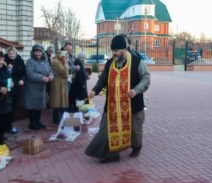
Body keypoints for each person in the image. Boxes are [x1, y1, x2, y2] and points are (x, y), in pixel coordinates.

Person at [85, 35, 150, 163]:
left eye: (116, 50)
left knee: (134, 130)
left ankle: (136, 147)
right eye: (112, 50)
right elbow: (103, 79)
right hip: (112, 105)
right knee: (106, 129)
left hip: (133, 104)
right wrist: (94, 90)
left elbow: (146, 79)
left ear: (124, 49)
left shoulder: (137, 61)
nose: (114, 53)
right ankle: (112, 155)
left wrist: (135, 90)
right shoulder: (110, 63)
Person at [23, 44, 53, 130]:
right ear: (33, 52)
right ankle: (32, 123)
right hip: (32, 88)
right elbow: (30, 74)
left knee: (39, 106)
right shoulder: (30, 61)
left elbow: (50, 71)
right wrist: (42, 78)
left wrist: (51, 76)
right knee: (33, 106)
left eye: (40, 51)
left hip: (42, 88)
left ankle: (38, 122)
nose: (38, 53)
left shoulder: (45, 61)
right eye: (36, 51)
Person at [4, 47, 26, 134]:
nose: (12, 55)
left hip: (17, 87)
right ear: (7, 54)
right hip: (8, 86)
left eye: (13, 53)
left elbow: (24, 72)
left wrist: (22, 79)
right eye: (10, 53)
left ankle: (10, 125)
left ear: (16, 54)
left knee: (13, 107)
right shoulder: (4, 61)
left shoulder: (20, 60)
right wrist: (8, 69)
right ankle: (6, 125)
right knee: (7, 107)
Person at [50, 51, 69, 124]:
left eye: (66, 57)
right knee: (57, 101)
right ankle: (57, 119)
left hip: (62, 83)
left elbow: (66, 72)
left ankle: (61, 118)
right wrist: (65, 63)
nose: (66, 58)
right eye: (64, 56)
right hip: (57, 83)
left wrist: (65, 66)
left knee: (62, 101)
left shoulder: (60, 61)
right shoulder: (55, 62)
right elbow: (63, 71)